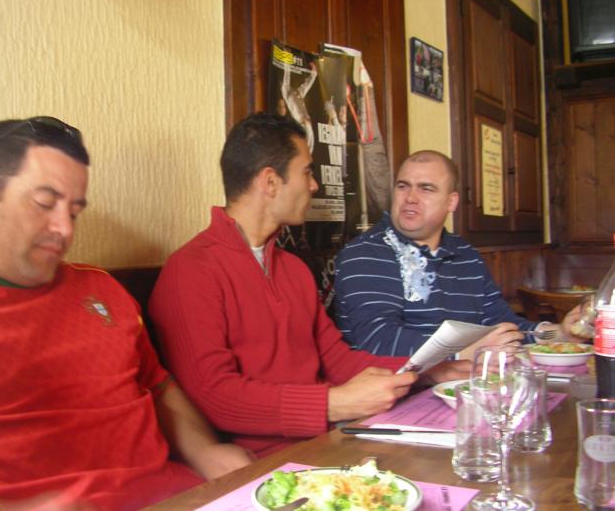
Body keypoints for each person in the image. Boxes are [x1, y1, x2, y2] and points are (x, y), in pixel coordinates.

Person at [0, 117, 252, 511]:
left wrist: (207, 452)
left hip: (180, 497)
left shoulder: (99, 288)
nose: (64, 228)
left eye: (74, 212)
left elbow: (158, 386)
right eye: (44, 204)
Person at [148, 114, 469, 458]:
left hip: (327, 440)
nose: (314, 185)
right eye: (307, 172)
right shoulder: (191, 270)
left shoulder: (293, 269)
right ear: (271, 182)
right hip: (258, 461)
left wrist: (428, 371)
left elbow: (336, 360)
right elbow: (215, 397)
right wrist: (334, 403)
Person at [334, 150, 577, 357]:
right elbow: (378, 341)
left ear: (451, 202)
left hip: (462, 384)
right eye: (403, 186)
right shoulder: (365, 253)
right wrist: (464, 353)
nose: (410, 198)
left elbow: (502, 325)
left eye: (426, 189)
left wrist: (560, 333)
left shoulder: (466, 254)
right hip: (394, 392)